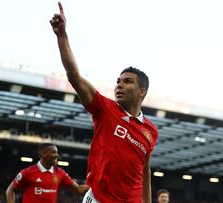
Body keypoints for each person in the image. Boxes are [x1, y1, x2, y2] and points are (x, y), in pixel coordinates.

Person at [50, 2, 158, 203]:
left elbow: (145, 172)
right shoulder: (104, 109)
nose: (119, 85)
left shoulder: (151, 131)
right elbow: (74, 76)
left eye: (127, 82)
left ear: (141, 91)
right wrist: (62, 36)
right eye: (118, 81)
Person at [5, 143, 89, 203]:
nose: (57, 155)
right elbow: (10, 190)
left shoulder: (60, 173)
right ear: (43, 154)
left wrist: (97, 184)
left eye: (57, 152)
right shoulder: (28, 172)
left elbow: (79, 190)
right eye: (53, 152)